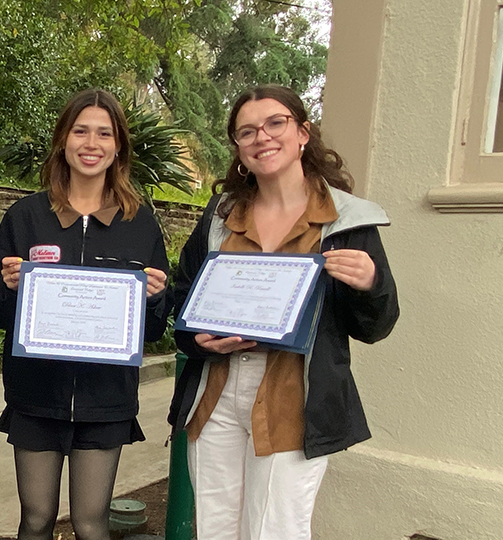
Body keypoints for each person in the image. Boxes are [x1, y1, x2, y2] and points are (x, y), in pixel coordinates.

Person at [168, 85, 400, 540]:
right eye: (246, 131)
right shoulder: (220, 216)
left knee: (275, 530)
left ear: (302, 133)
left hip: (292, 399)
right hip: (216, 395)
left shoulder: (346, 221)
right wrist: (194, 338)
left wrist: (370, 284)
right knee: (214, 529)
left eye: (275, 123)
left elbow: (376, 326)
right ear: (238, 148)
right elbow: (184, 297)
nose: (262, 137)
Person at [0, 88, 170, 540]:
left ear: (118, 145)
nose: (91, 143)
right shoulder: (26, 217)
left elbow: (155, 328)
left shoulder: (139, 222)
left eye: (104, 133)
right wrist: (7, 289)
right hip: (35, 395)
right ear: (62, 139)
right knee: (36, 518)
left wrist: (154, 299)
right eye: (80, 130)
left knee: (90, 522)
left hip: (106, 401)